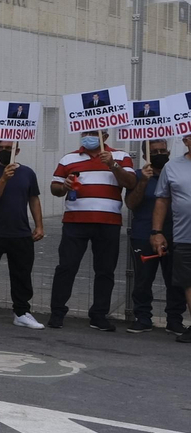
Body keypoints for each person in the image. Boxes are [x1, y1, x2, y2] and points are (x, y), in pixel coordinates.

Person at [49, 129, 136, 329]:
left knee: (105, 270)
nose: (88, 137)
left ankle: (99, 315)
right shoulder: (69, 158)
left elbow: (130, 182)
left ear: (105, 136)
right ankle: (57, 313)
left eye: (93, 133)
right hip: (75, 221)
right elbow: (55, 187)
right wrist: (65, 187)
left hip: (108, 222)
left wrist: (112, 164)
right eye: (85, 133)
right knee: (66, 267)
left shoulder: (121, 156)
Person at [0, 141, 45, 329]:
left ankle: (21, 312)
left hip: (19, 232)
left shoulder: (28, 173)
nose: (3, 151)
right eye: (0, 148)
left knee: (22, 274)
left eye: (8, 148)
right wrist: (3, 178)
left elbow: (33, 199)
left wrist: (39, 226)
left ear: (17, 151)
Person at [129, 140, 185, 335]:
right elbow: (131, 204)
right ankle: (143, 318)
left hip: (176, 235)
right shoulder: (137, 176)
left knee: (176, 280)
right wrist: (143, 181)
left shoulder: (175, 172)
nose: (160, 153)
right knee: (143, 279)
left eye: (163, 150)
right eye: (155, 151)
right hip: (143, 235)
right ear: (146, 156)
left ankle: (174, 320)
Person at [148, 132, 191, 343]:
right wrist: (157, 232)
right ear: (185, 141)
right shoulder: (171, 167)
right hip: (184, 236)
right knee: (189, 283)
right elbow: (162, 200)